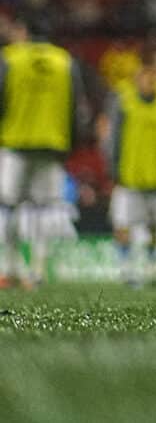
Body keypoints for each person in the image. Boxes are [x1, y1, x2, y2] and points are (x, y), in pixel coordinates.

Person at [0, 14, 86, 288]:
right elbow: (76, 108)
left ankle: (9, 267)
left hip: (15, 143)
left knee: (8, 207)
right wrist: (70, 144)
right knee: (45, 210)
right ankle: (37, 271)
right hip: (51, 145)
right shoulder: (66, 62)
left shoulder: (10, 58)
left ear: (24, 31)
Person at [105, 51, 156, 285]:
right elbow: (114, 137)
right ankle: (126, 267)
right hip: (129, 174)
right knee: (123, 223)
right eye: (146, 72)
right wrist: (113, 167)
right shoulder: (123, 98)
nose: (151, 78)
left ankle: (152, 266)